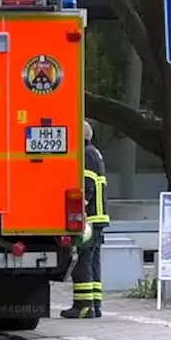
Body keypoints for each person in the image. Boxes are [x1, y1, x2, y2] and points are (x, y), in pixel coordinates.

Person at [61, 119, 110, 319]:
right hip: (98, 217)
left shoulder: (86, 155)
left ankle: (83, 306)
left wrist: (82, 210)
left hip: (90, 217)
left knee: (84, 261)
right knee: (93, 261)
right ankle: (95, 305)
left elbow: (87, 184)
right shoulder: (95, 153)